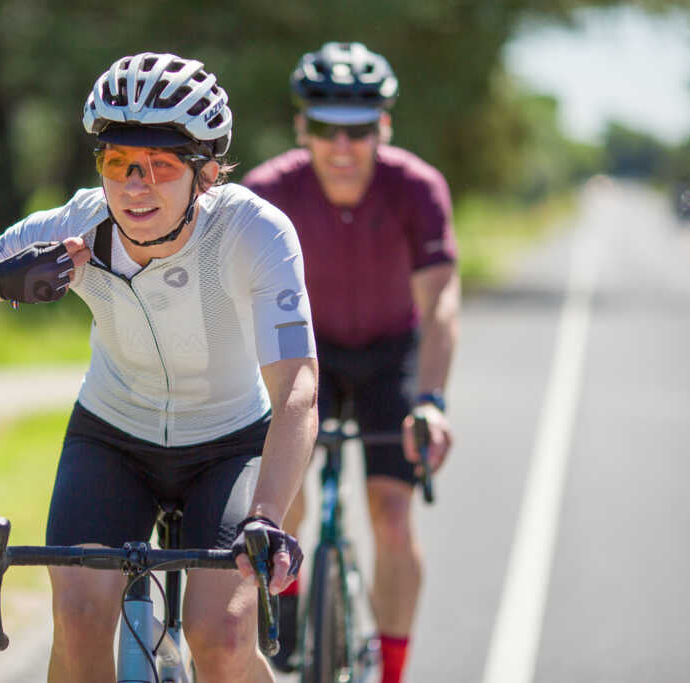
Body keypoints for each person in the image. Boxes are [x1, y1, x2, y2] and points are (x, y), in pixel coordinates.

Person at [0, 51, 318, 682]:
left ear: (206, 174)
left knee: (224, 636)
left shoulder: (255, 234)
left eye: (159, 166)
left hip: (230, 443)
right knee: (76, 623)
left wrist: (267, 514)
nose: (135, 186)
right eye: (118, 163)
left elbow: (297, 387)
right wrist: (4, 279)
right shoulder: (77, 224)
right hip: (112, 437)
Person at [242, 41, 459, 683]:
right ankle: (292, 600)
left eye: (359, 130)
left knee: (391, 517)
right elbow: (237, 301)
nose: (343, 145)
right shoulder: (268, 191)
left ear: (383, 127)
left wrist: (432, 401)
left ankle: (391, 671)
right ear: (302, 126)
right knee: (285, 499)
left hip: (392, 355)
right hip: (306, 354)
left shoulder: (417, 187)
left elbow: (441, 301)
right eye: (328, 128)